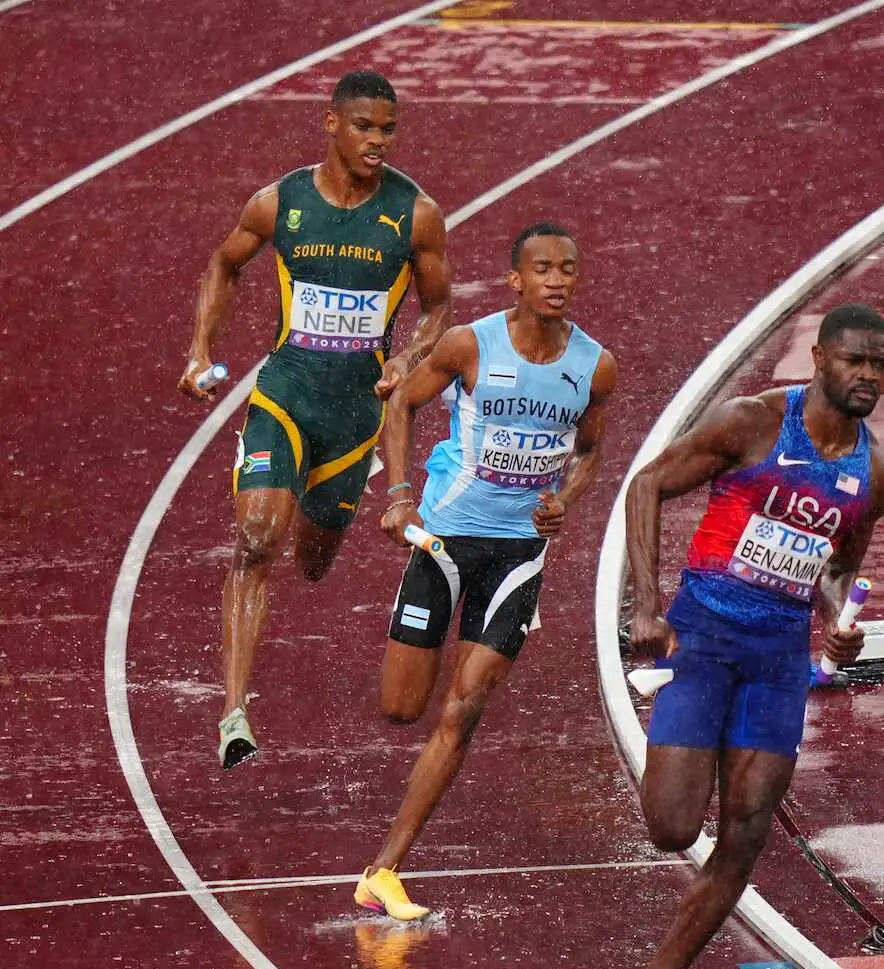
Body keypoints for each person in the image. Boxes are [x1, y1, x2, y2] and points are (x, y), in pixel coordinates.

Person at [614, 304, 884, 969]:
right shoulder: (753, 423)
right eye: (855, 361)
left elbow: (838, 567)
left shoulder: (877, 473)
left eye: (879, 364)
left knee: (746, 832)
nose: (868, 375)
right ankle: (695, 737)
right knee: (673, 827)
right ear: (819, 358)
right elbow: (646, 485)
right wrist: (644, 607)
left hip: (777, 661)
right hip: (704, 637)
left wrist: (839, 620)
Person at [178, 71, 453, 769]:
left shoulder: (415, 214)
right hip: (285, 395)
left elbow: (438, 307)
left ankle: (317, 504)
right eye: (365, 127)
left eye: (388, 129)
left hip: (356, 418)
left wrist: (407, 358)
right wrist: (200, 349)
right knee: (255, 540)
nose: (378, 141)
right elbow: (224, 263)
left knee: (313, 561)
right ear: (331, 124)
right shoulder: (280, 203)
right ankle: (234, 714)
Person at [351, 222, 618, 920]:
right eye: (542, 269)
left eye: (567, 268)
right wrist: (399, 495)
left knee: (464, 708)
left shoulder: (595, 366)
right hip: (444, 539)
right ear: (515, 280)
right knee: (401, 708)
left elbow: (590, 450)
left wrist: (565, 499)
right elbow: (401, 403)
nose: (556, 280)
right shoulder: (469, 345)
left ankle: (384, 869)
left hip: (518, 553)